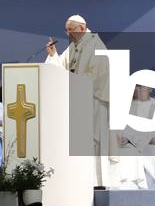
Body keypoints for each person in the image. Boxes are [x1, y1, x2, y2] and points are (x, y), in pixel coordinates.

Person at [45, 14, 110, 185]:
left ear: (82, 28)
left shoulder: (96, 45)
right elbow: (61, 67)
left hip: (93, 103)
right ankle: (80, 181)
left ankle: (97, 184)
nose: (68, 34)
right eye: (66, 31)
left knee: (93, 144)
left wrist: (72, 85)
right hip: (79, 103)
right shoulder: (75, 46)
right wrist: (53, 55)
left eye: (71, 30)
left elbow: (93, 76)